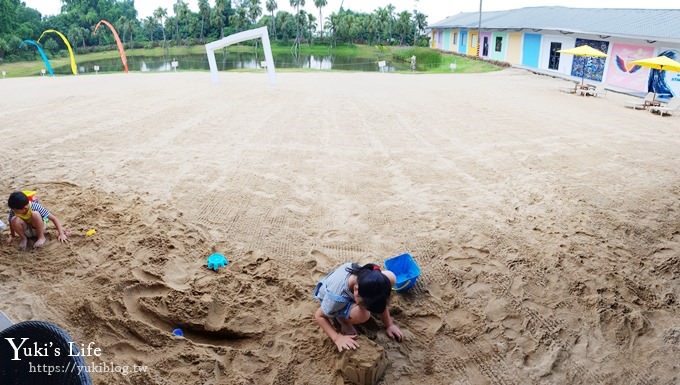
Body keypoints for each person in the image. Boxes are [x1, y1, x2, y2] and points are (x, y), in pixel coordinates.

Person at [313, 262, 404, 352]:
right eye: (364, 304)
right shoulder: (336, 300)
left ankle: (356, 309)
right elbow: (319, 315)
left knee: (391, 277)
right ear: (356, 290)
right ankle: (343, 321)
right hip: (329, 295)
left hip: (348, 285)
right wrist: (337, 338)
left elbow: (380, 297)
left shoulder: (369, 273)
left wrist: (389, 325)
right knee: (363, 315)